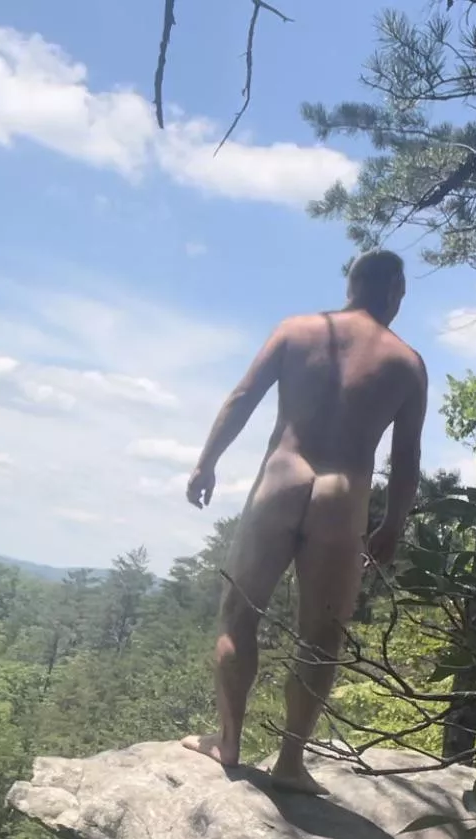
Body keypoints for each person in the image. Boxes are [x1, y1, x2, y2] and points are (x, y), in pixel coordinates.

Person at [180, 249, 429, 795]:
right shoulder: (407, 364)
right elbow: (406, 458)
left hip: (280, 479)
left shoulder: (296, 331)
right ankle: (291, 764)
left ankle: (228, 741)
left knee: (238, 617)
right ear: (394, 293)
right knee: (321, 639)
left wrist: (207, 462)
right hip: (344, 498)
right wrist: (391, 524)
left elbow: (243, 396)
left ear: (350, 285)